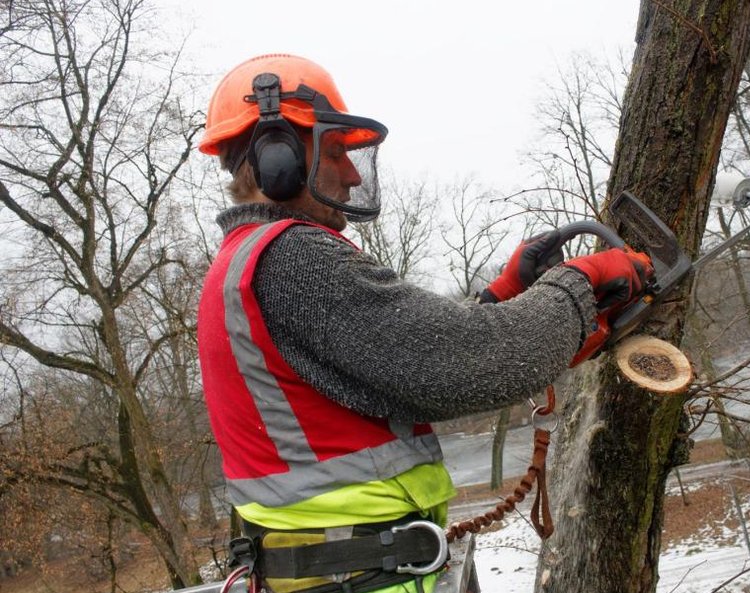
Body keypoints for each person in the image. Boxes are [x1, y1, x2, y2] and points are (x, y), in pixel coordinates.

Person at [196, 53, 653, 593]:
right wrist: (582, 279)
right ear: (279, 156)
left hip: (342, 571)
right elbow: (468, 367)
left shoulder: (245, 262)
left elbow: (404, 365)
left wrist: (500, 295)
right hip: (359, 576)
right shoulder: (294, 259)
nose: (351, 174)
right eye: (338, 151)